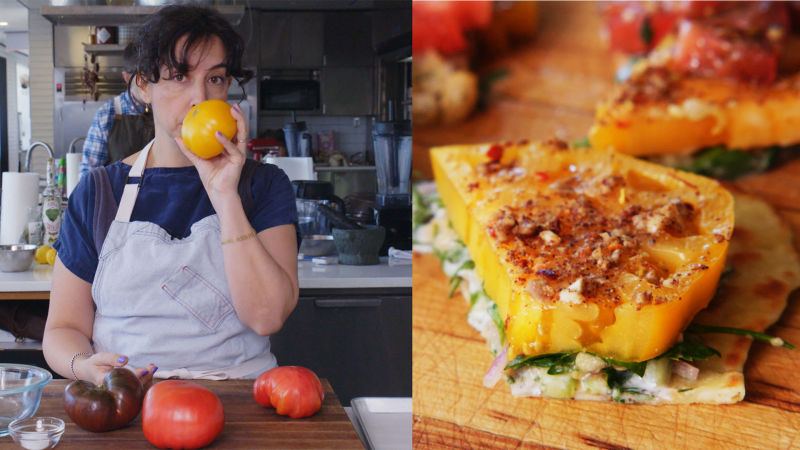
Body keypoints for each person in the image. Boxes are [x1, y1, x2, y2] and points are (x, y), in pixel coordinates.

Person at [44, 5, 299, 387]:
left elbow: (267, 317)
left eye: (214, 78)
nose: (200, 97)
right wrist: (85, 366)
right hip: (127, 402)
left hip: (242, 401)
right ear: (144, 86)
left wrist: (225, 195)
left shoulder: (262, 186)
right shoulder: (99, 192)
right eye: (179, 77)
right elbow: (63, 327)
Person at [79, 42, 155, 177]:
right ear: (126, 77)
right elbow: (89, 174)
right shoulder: (107, 114)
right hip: (118, 197)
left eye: (152, 77)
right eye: (141, 78)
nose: (147, 84)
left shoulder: (165, 109)